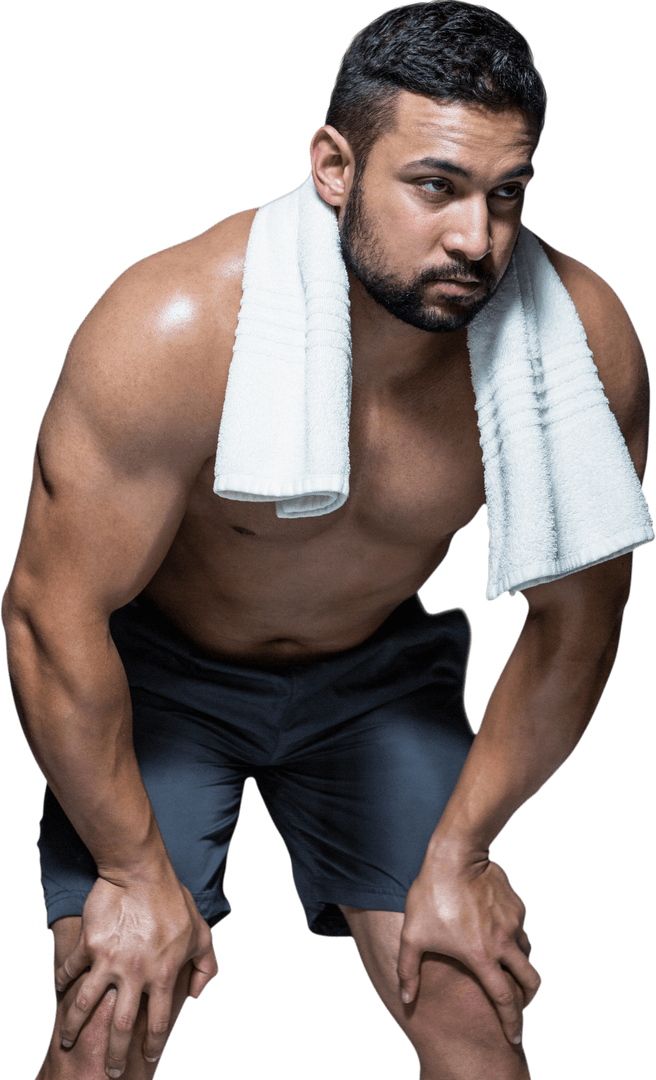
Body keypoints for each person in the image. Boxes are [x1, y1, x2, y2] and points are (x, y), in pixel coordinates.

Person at [2, 2, 650, 1078]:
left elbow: (579, 623)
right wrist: (127, 870)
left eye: (506, 195)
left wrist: (462, 850)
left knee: (476, 1018)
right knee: (109, 1016)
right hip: (159, 679)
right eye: (434, 186)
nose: (475, 240)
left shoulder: (577, 349)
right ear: (334, 165)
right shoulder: (171, 330)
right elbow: (47, 616)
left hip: (372, 681)